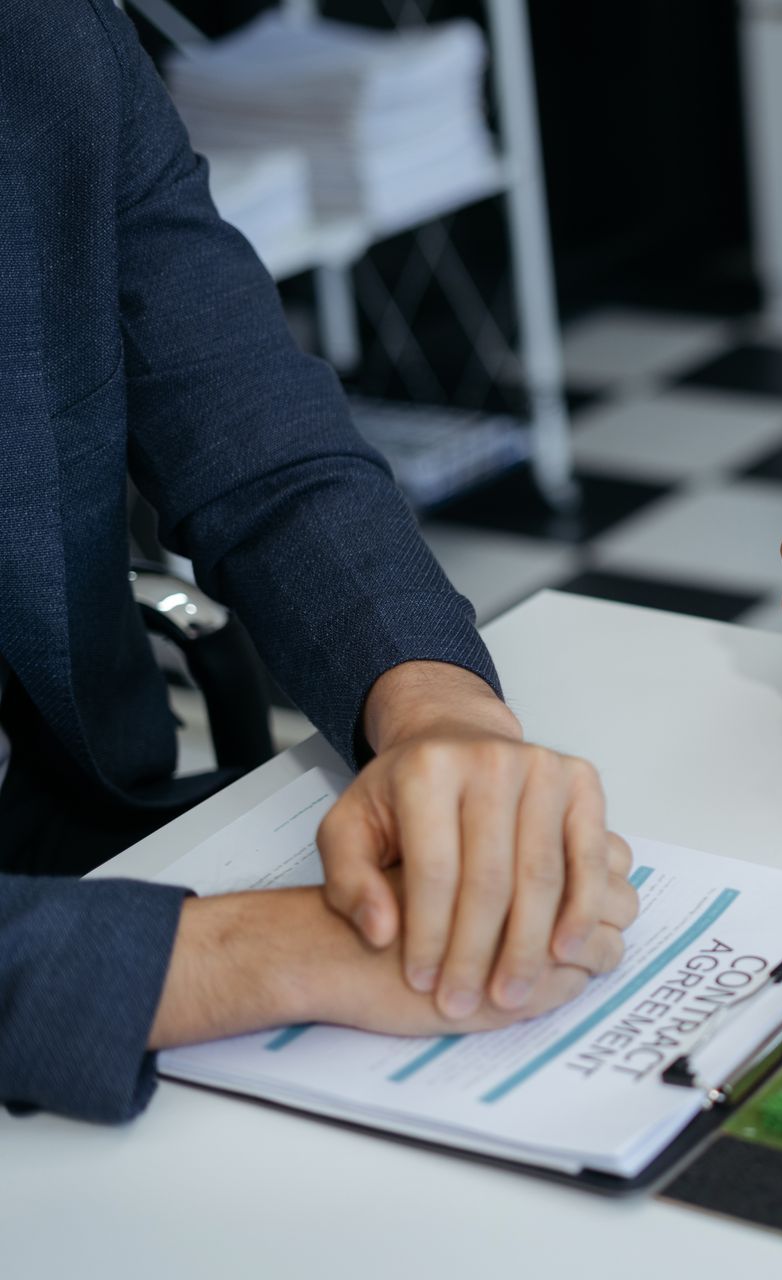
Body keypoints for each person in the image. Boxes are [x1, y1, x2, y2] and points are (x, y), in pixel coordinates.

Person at [0, 0, 637, 1124]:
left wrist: (437, 712)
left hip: (77, 829)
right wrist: (239, 955)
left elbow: (256, 439)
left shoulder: (50, 34)